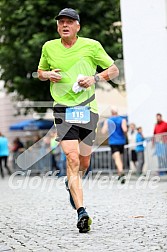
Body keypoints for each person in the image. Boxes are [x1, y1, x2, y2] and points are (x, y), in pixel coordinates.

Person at [37, 8, 119, 233]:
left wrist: (94, 78)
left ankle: (70, 183)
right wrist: (47, 75)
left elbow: (113, 70)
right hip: (63, 109)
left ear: (77, 26)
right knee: (72, 158)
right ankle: (82, 211)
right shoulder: (49, 47)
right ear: (57, 26)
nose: (65, 25)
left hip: (87, 109)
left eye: (69, 22)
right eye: (61, 22)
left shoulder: (92, 46)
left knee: (84, 162)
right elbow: (40, 71)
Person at [101, 107, 127, 183]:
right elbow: (125, 129)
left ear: (111, 112)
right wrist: (124, 135)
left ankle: (121, 172)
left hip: (113, 142)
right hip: (121, 141)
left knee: (117, 159)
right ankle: (120, 175)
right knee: (120, 158)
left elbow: (103, 131)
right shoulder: (122, 120)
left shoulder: (108, 120)